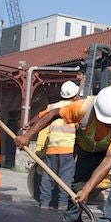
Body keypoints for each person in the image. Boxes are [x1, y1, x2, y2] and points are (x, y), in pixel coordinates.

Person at [15, 86, 111, 222]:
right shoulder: (82, 107)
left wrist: (87, 190)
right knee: (78, 185)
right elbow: (53, 114)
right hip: (87, 147)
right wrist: (27, 136)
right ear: (96, 111)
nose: (107, 125)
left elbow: (108, 161)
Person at [33, 80, 80, 211]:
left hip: (52, 148)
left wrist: (27, 125)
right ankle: (62, 204)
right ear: (74, 95)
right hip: (67, 149)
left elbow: (39, 117)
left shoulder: (52, 107)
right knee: (65, 178)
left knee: (48, 176)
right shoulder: (75, 108)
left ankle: (44, 202)